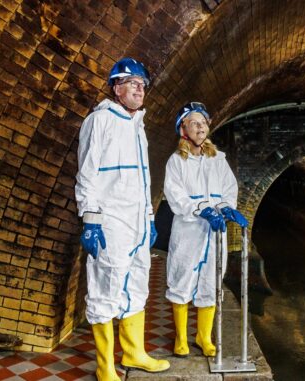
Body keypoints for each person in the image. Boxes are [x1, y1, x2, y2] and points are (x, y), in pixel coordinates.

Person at [75, 57, 169, 381]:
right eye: (133, 83)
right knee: (106, 288)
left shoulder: (137, 127)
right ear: (116, 87)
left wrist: (149, 218)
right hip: (110, 221)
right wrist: (90, 219)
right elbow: (86, 175)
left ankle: (134, 352)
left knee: (137, 284)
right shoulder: (99, 121)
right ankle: (105, 368)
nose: (140, 89)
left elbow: (143, 180)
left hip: (137, 224)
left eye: (142, 85)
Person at [163, 102, 249, 357]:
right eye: (193, 123)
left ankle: (203, 336)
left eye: (202, 122)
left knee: (211, 281)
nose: (199, 127)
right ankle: (180, 338)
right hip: (189, 230)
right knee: (181, 280)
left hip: (215, 232)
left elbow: (227, 189)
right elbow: (175, 195)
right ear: (183, 130)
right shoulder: (177, 161)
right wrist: (202, 208)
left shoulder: (218, 159)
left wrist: (225, 208)